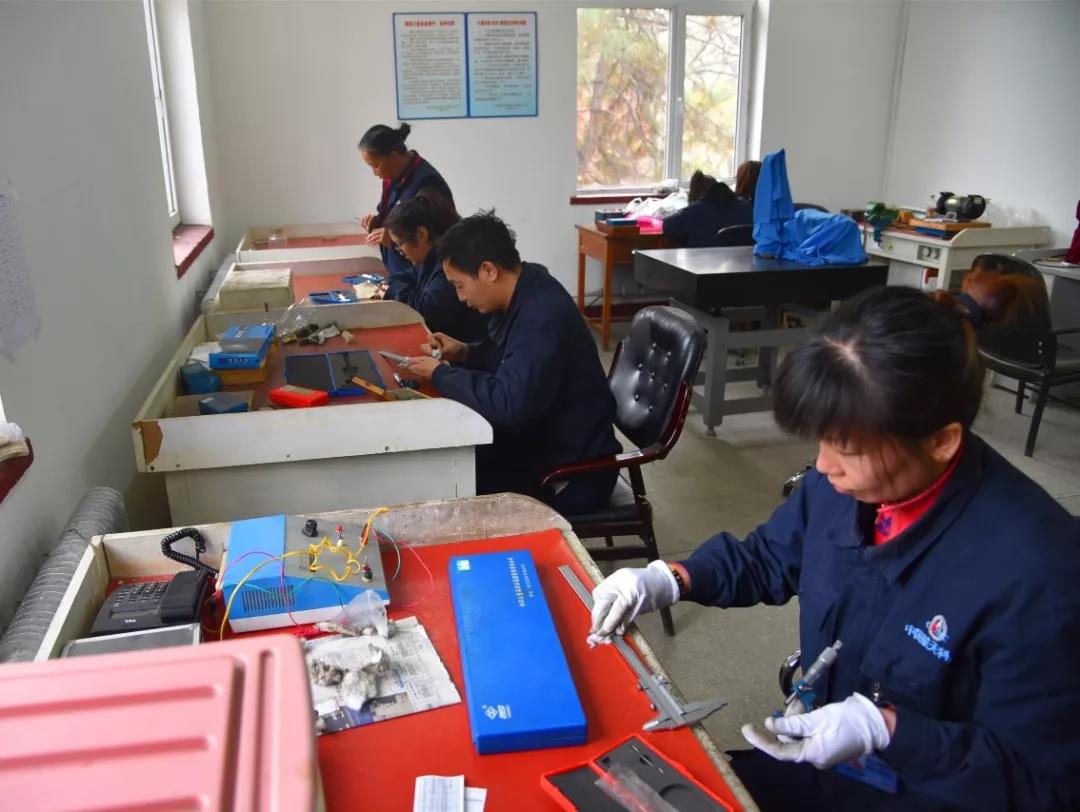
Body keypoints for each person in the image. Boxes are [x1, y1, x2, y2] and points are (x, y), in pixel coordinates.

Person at [587, 286, 1080, 811]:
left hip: (932, 791)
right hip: (828, 759)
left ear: (941, 441)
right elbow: (770, 555)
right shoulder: (848, 485)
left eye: (847, 449)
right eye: (821, 440)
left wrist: (890, 730)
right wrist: (670, 578)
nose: (823, 466)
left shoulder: (1041, 573)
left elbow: (1042, 785)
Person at [402, 211, 621, 514]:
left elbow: (509, 404)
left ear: (488, 270)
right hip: (542, 444)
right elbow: (509, 359)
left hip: (570, 473)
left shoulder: (542, 315)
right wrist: (464, 352)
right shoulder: (527, 287)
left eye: (460, 285)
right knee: (446, 462)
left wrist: (440, 374)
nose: (460, 297)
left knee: (450, 482)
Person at [382, 190, 489, 342]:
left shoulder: (449, 263)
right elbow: (401, 276)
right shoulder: (425, 259)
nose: (400, 252)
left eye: (400, 245)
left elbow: (425, 312)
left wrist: (395, 289)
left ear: (421, 234)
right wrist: (400, 287)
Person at [357, 123, 453, 281]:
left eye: (376, 165)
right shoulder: (394, 178)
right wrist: (378, 222)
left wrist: (394, 237)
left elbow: (435, 236)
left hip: (422, 276)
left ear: (393, 157)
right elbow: (395, 216)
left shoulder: (427, 183)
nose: (374, 172)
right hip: (400, 271)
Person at [662, 170, 752, 248]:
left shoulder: (694, 212)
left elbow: (667, 227)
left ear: (693, 193)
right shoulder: (747, 207)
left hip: (701, 262)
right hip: (742, 262)